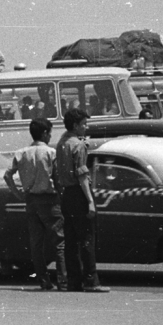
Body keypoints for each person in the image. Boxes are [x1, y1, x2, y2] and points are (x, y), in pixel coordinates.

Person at [4, 116, 66, 291]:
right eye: (50, 133)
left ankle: (44, 280)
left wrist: (18, 194)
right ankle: (63, 280)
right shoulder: (51, 153)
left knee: (36, 243)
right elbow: (58, 179)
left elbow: (8, 176)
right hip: (50, 200)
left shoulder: (21, 153)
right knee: (60, 242)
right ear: (45, 133)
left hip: (31, 200)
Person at [55, 108, 108, 292]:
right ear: (76, 125)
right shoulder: (78, 145)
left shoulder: (61, 143)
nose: (86, 127)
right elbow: (82, 176)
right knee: (87, 239)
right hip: (79, 193)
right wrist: (90, 202)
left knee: (70, 241)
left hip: (66, 195)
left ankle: (74, 282)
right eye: (84, 124)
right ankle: (91, 281)